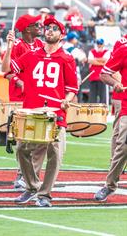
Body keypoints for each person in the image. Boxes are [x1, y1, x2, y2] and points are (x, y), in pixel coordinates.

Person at [8, 16, 78, 207]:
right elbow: (8, 68)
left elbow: (72, 88)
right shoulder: (31, 55)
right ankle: (32, 186)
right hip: (32, 111)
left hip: (55, 113)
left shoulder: (67, 58)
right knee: (22, 149)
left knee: (55, 153)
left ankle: (45, 194)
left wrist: (67, 100)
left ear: (62, 35)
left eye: (54, 28)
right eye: (47, 27)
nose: (49, 30)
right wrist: (9, 47)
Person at [1, 14, 45, 189]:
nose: (40, 27)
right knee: (23, 138)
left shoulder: (41, 45)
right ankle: (21, 174)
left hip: (39, 96)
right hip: (21, 97)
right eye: (36, 25)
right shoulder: (17, 45)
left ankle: (30, 174)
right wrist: (20, 82)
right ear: (27, 29)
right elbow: (7, 71)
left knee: (40, 137)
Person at [94, 41, 127, 202]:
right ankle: (110, 185)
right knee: (123, 146)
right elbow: (104, 73)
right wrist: (116, 83)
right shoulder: (123, 50)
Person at [87, 39, 110, 104]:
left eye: (100, 44)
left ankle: (103, 110)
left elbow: (105, 59)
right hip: (93, 76)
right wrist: (102, 63)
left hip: (103, 76)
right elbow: (90, 61)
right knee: (92, 95)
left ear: (103, 44)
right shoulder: (92, 51)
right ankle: (92, 109)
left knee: (103, 96)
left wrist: (95, 59)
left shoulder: (107, 51)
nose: (99, 45)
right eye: (98, 44)